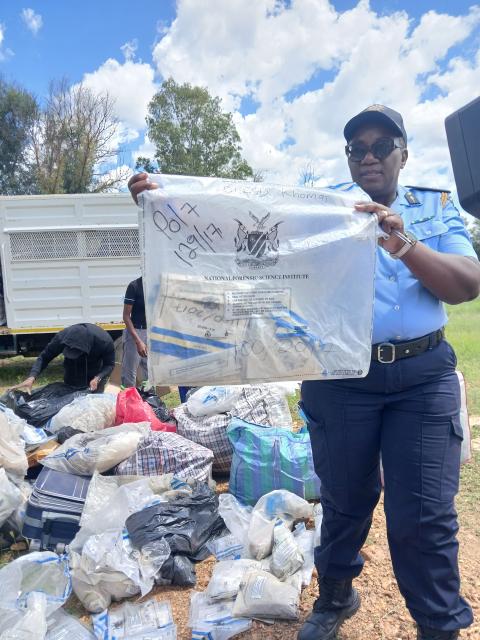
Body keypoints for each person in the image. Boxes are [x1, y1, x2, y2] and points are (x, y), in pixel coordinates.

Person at [298, 105, 480, 640]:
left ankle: (439, 626)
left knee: (423, 516)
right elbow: (247, 235)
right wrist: (170, 203)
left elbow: (466, 284)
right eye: (358, 148)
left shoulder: (436, 206)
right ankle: (335, 596)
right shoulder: (326, 208)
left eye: (382, 145)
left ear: (404, 153)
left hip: (422, 379)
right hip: (341, 378)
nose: (369, 156)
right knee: (344, 500)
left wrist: (403, 244)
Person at [11, 322, 115, 393]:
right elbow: (44, 357)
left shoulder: (104, 341)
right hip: (72, 369)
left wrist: (98, 377)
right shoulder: (61, 338)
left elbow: (109, 364)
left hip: (95, 371)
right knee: (71, 397)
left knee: (93, 403)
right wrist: (31, 377)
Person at [121, 276, 148, 388]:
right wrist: (138, 341)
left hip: (151, 332)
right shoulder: (134, 286)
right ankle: (128, 402)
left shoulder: (156, 285)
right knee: (130, 374)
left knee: (149, 372)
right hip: (135, 331)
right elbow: (126, 316)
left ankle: (149, 401)